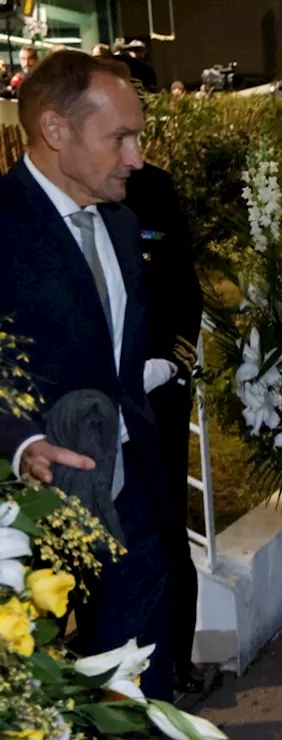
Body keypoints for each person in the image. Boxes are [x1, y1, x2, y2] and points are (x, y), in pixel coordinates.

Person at [0, 50, 176, 699]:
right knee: (34, 693)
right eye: (119, 138)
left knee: (136, 679)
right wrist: (17, 440)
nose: (135, 156)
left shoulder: (123, 224)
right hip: (32, 508)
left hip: (130, 490)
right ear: (55, 131)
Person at [125, 160, 204, 696]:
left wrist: (172, 363)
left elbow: (184, 288)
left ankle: (177, 658)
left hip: (157, 395)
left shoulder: (152, 184)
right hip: (92, 401)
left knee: (167, 525)